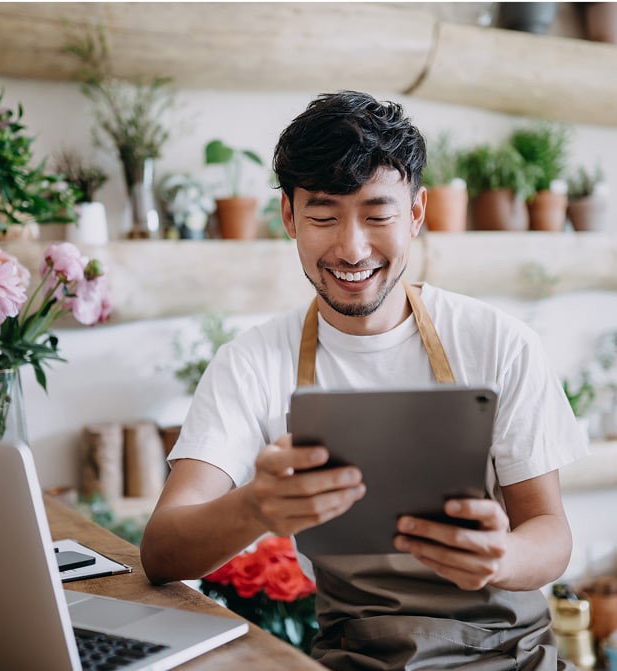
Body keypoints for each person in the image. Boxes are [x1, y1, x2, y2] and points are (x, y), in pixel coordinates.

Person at [141, 90, 588, 670]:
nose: (351, 248)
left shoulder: (498, 342)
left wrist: (500, 556)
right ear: (288, 217)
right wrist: (255, 506)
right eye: (324, 216)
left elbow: (550, 532)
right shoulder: (251, 363)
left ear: (418, 214)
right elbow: (161, 549)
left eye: (378, 215)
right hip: (357, 659)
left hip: (510, 656)